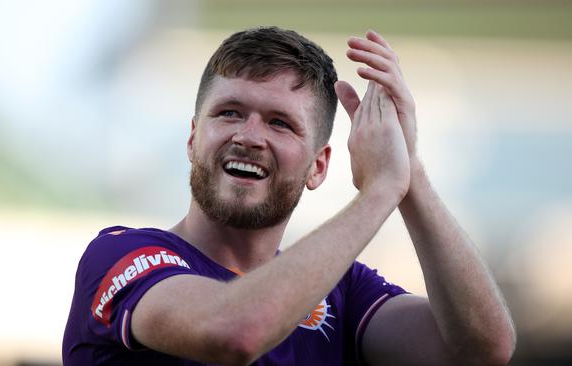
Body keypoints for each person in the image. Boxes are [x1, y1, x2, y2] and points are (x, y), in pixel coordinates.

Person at [63, 26, 516, 365]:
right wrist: (380, 191)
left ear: (318, 166)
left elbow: (483, 348)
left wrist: (409, 173)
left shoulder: (342, 291)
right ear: (193, 139)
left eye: (280, 123)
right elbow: (233, 333)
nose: (249, 136)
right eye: (230, 112)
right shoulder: (121, 254)